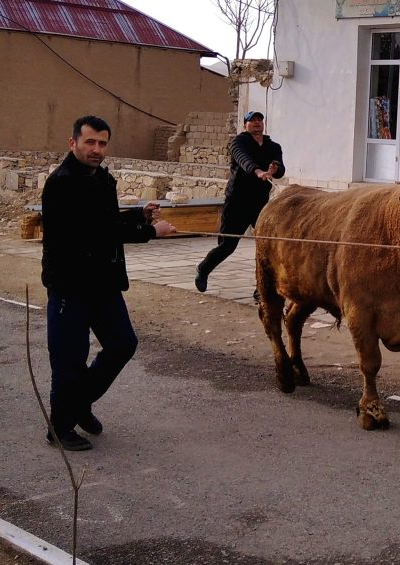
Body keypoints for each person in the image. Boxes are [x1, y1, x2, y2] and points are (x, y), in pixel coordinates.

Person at [40, 115, 176, 451]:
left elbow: (106, 220)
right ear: (73, 143)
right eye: (90, 142)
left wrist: (138, 215)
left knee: (122, 344)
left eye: (102, 143)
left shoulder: (101, 178)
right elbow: (92, 233)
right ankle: (60, 428)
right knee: (69, 359)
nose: (97, 149)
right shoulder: (62, 183)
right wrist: (150, 231)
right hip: (70, 286)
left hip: (103, 284)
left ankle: (77, 405)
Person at [195, 111, 285, 292]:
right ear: (245, 125)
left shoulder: (273, 146)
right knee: (227, 245)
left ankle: (261, 289)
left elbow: (281, 169)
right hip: (237, 201)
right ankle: (203, 269)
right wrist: (258, 171)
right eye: (252, 120)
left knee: (266, 245)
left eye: (259, 120)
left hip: (260, 203)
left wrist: (275, 169)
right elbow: (244, 160)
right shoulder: (239, 142)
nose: (257, 123)